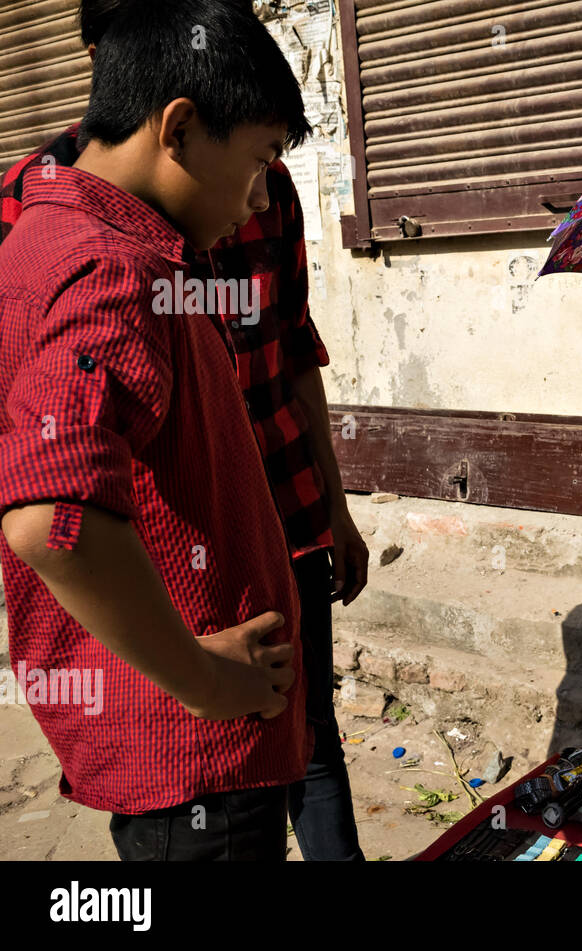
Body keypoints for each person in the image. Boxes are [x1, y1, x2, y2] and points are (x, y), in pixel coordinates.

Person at [0, 0, 369, 860]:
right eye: (256, 163)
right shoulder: (109, 269)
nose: (253, 201)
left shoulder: (73, 232)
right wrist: (204, 679)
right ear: (179, 128)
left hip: (203, 734)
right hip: (198, 765)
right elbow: (53, 519)